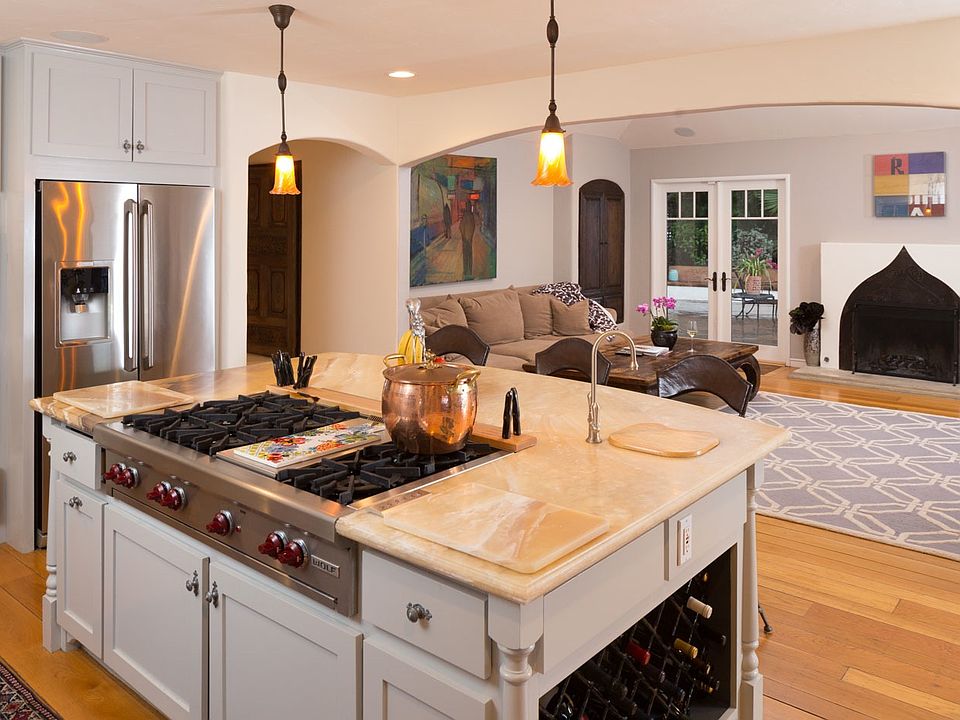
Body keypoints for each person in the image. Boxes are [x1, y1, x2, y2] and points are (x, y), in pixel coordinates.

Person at [459, 200, 475, 280]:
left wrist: (463, 236)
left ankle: (465, 271)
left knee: (465, 255)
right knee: (469, 255)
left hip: (465, 240)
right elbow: (473, 227)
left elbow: (461, 227)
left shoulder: (465, 215)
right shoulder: (471, 215)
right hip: (469, 240)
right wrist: (471, 236)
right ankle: (470, 271)